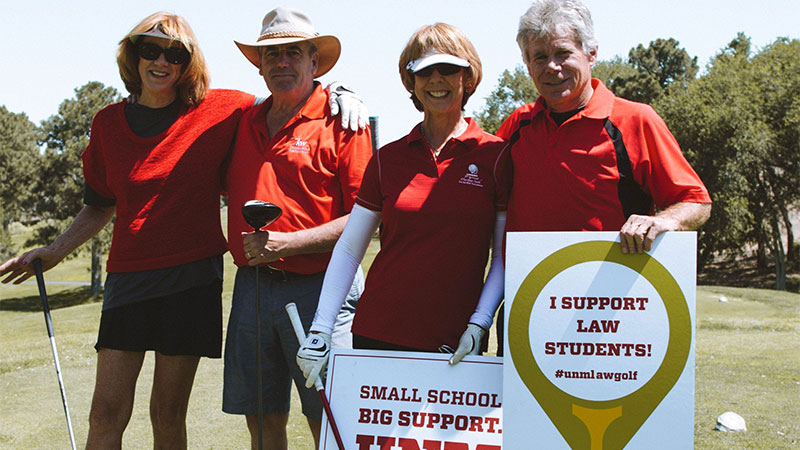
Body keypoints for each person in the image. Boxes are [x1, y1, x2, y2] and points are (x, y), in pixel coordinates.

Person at [0, 11, 365, 450]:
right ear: (132, 56)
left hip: (200, 281)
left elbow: (301, 105)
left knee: (173, 414)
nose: (161, 61)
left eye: (174, 52)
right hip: (144, 282)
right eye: (150, 50)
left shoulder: (227, 110)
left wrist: (343, 93)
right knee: (110, 414)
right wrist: (55, 250)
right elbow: (99, 205)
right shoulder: (121, 124)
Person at [295, 22, 511, 392]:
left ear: (468, 78)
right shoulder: (387, 159)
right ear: (410, 81)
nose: (436, 79)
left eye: (448, 69)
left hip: (455, 340)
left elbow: (503, 256)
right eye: (424, 71)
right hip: (377, 333)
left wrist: (480, 322)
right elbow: (349, 250)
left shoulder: (497, 156)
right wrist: (321, 329)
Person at [494, 0, 712, 353]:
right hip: (527, 306)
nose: (551, 67)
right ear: (526, 64)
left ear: (591, 53)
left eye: (563, 53)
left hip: (611, 312)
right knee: (521, 411)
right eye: (538, 56)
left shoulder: (635, 120)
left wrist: (664, 221)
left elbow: (696, 201)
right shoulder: (517, 126)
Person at [221, 7, 373, 449]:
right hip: (251, 288)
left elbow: (368, 217)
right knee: (262, 418)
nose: (281, 63)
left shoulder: (344, 121)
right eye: (271, 55)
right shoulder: (242, 120)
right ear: (259, 64)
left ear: (314, 62)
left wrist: (290, 242)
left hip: (321, 288)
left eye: (293, 53)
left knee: (331, 416)